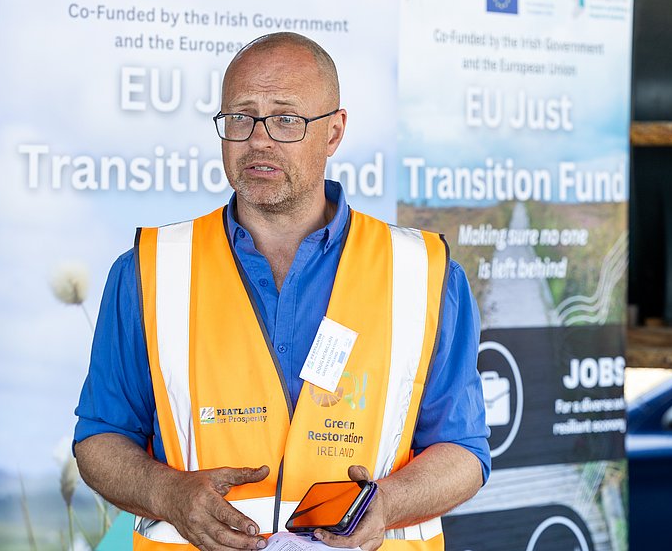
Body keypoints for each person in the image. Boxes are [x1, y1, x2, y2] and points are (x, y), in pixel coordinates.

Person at [73, 32, 490, 551]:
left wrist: (388, 502)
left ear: (335, 132)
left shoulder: (424, 274)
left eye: (287, 119)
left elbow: (464, 451)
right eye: (241, 118)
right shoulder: (147, 272)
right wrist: (167, 493)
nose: (259, 140)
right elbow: (99, 439)